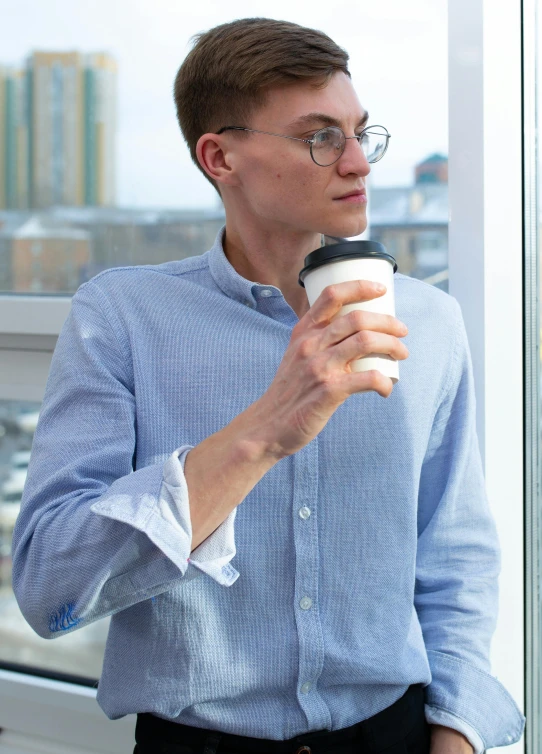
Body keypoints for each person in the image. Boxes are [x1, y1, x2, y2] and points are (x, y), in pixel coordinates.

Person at [12, 16, 524, 754]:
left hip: (398, 737)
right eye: (320, 136)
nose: (358, 163)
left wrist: (457, 735)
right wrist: (263, 431)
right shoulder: (122, 318)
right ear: (220, 156)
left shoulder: (430, 322)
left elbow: (455, 557)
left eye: (361, 132)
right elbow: (50, 587)